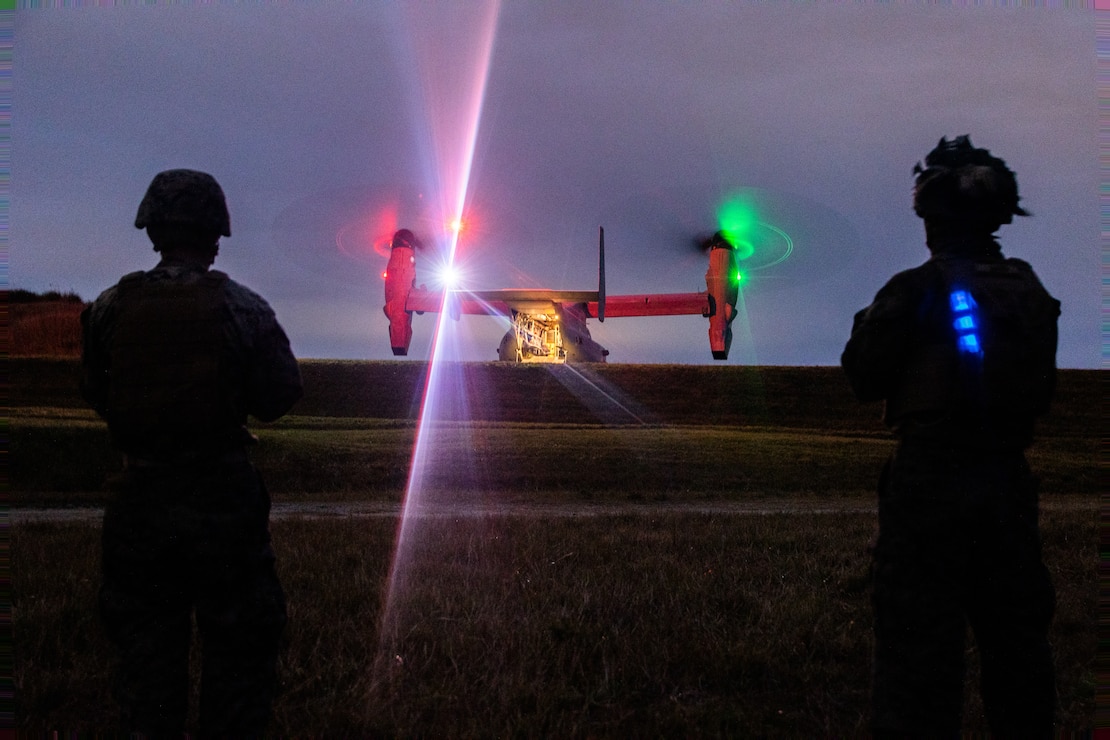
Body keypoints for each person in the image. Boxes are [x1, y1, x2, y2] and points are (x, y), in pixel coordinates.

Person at [841, 136, 1060, 737]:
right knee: (1018, 652)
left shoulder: (915, 290)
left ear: (930, 218)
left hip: (930, 485)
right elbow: (1041, 390)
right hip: (1008, 483)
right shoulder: (1032, 292)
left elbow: (863, 373)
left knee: (917, 663)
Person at [81, 169, 303, 736]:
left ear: (152, 229)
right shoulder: (243, 308)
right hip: (221, 506)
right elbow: (279, 396)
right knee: (239, 666)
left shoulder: (108, 308)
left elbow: (98, 393)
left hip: (140, 505)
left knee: (146, 674)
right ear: (216, 234)